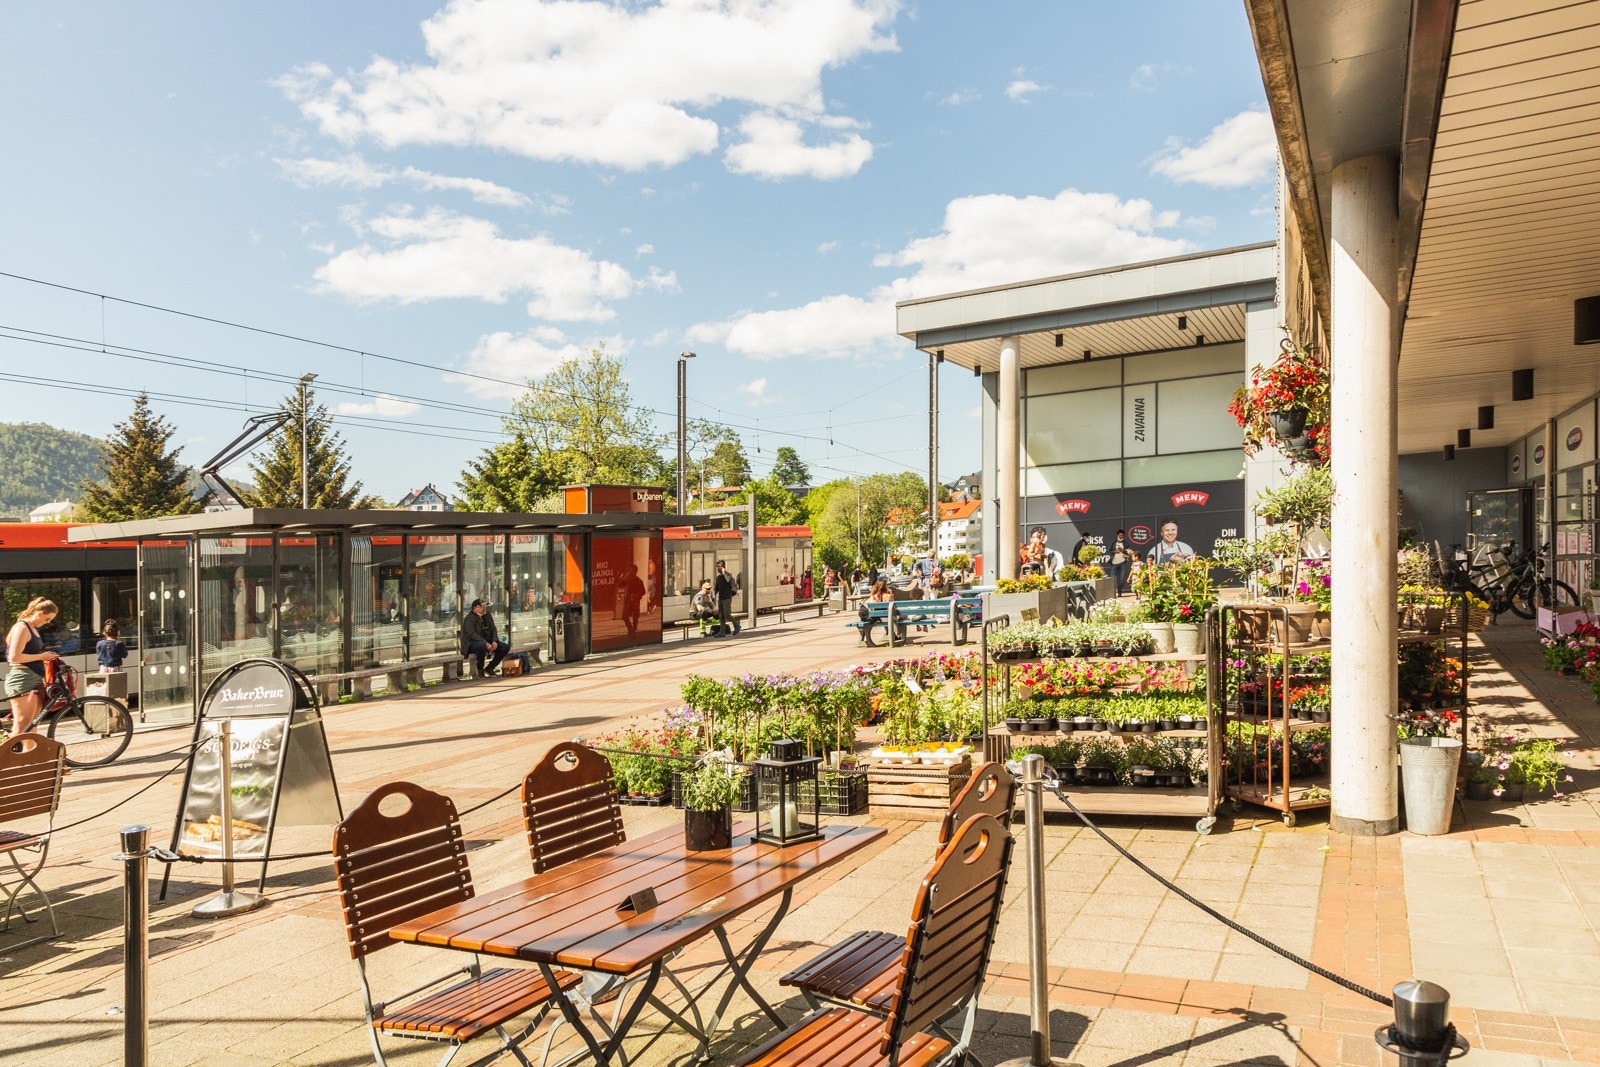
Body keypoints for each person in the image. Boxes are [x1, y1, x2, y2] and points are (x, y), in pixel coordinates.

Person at [5, 597, 61, 734]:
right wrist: (42, 656)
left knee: (32, 724)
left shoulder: (31, 628)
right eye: (47, 619)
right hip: (23, 681)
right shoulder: (22, 628)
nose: (47, 622)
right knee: (23, 724)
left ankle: (31, 755)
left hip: (32, 681)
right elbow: (14, 656)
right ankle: (10, 755)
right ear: (40, 613)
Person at [460, 598, 507, 678]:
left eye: (485, 606)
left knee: (505, 647)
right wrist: (485, 643)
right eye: (483, 606)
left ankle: (490, 667)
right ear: (476, 608)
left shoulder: (487, 615)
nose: (485, 608)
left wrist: (494, 641)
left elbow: (493, 629)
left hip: (487, 642)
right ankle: (480, 669)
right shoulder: (469, 618)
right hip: (472, 644)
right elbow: (472, 634)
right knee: (481, 646)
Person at [714, 559, 740, 635]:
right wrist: (712, 595)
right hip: (721, 598)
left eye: (719, 566)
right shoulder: (718, 578)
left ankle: (737, 625)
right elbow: (716, 588)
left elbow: (728, 580)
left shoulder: (728, 575)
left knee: (727, 614)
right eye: (717, 566)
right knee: (721, 615)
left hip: (727, 598)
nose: (718, 568)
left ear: (723, 567)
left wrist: (724, 572)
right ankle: (722, 631)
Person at [619, 563, 645, 637]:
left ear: (635, 572)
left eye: (632, 571)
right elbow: (619, 585)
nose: (630, 572)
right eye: (630, 571)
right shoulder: (627, 579)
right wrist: (622, 578)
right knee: (624, 616)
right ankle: (630, 629)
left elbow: (643, 591)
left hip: (635, 601)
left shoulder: (638, 581)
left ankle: (633, 631)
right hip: (627, 601)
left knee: (635, 616)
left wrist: (636, 595)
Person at [1109, 529, 1133, 595]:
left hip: (1122, 562)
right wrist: (1115, 551)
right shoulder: (1113, 543)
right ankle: (1112, 593)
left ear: (1124, 536)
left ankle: (1120, 592)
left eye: (1122, 535)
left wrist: (1123, 550)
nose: (1121, 536)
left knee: (1121, 578)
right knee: (1112, 578)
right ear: (1117, 535)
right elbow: (1109, 551)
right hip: (1114, 562)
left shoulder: (1125, 543)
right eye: (1120, 535)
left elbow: (1129, 552)